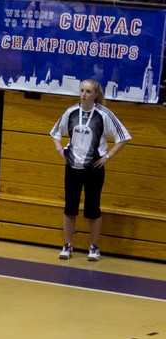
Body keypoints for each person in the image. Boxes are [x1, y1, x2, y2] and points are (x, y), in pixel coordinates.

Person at [50, 79, 131, 261]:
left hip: (94, 168)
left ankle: (94, 247)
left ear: (95, 95)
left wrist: (107, 156)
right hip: (72, 167)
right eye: (82, 91)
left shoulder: (104, 114)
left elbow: (123, 137)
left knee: (93, 209)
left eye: (87, 91)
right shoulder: (70, 112)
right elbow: (55, 133)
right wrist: (59, 150)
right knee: (70, 207)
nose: (83, 94)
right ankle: (67, 245)